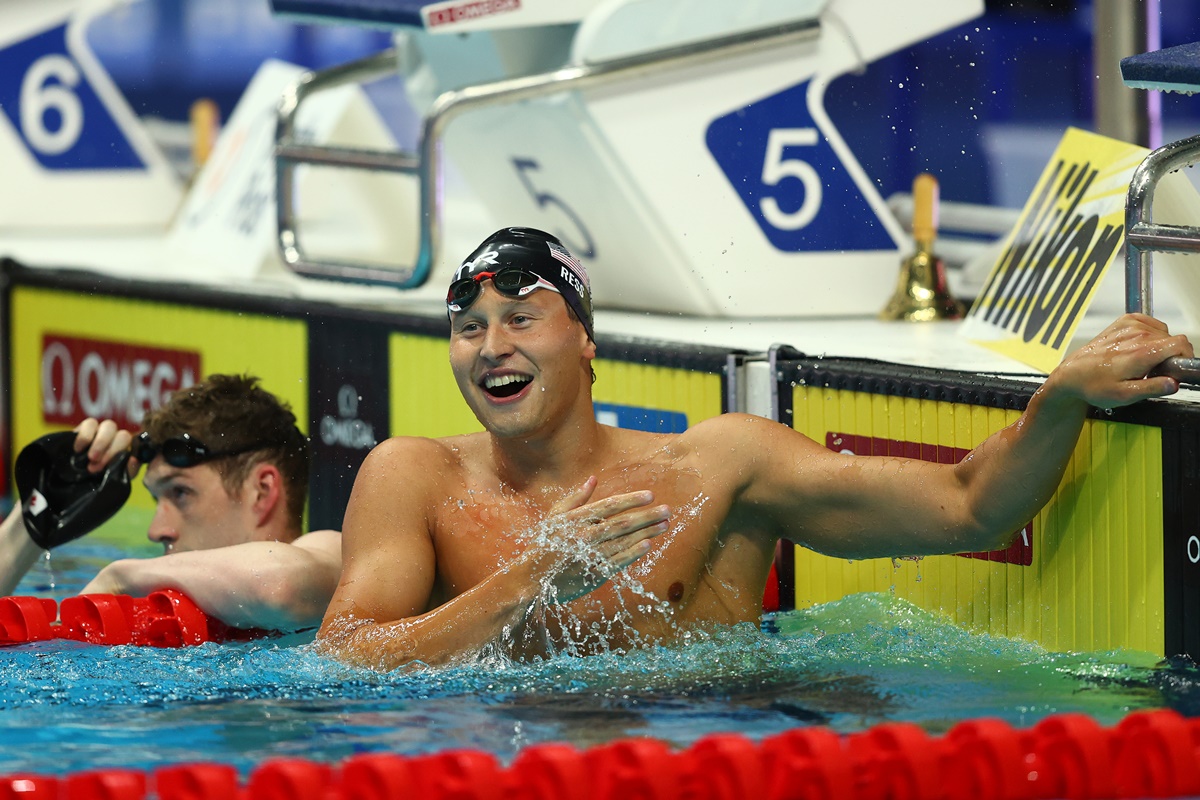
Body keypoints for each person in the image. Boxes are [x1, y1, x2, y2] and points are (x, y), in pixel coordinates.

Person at [318, 227, 1195, 671]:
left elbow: (973, 506)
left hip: (710, 753)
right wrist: (532, 580)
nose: (490, 346)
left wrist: (1063, 395)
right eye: (469, 329)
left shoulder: (715, 469)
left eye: (519, 319)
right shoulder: (415, 474)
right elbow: (345, 658)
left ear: (585, 342)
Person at [1, 375, 340, 632]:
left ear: (262, 492)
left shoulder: (334, 560)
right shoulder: (159, 606)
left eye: (181, 494)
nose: (155, 531)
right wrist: (30, 526)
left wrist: (121, 576)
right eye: (155, 499)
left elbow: (279, 584)